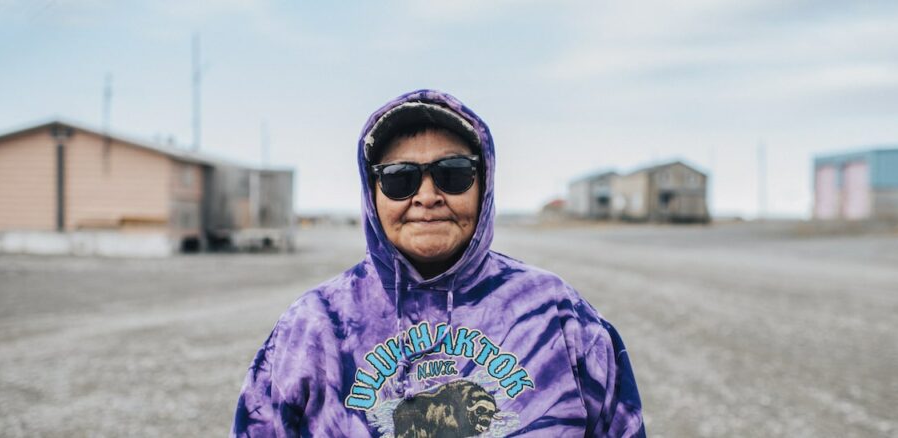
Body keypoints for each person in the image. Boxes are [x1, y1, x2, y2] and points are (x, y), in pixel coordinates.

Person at [231, 90, 647, 437]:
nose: (427, 196)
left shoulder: (559, 315)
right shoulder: (312, 327)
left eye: (452, 174)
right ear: (371, 192)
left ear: (483, 184)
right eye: (399, 178)